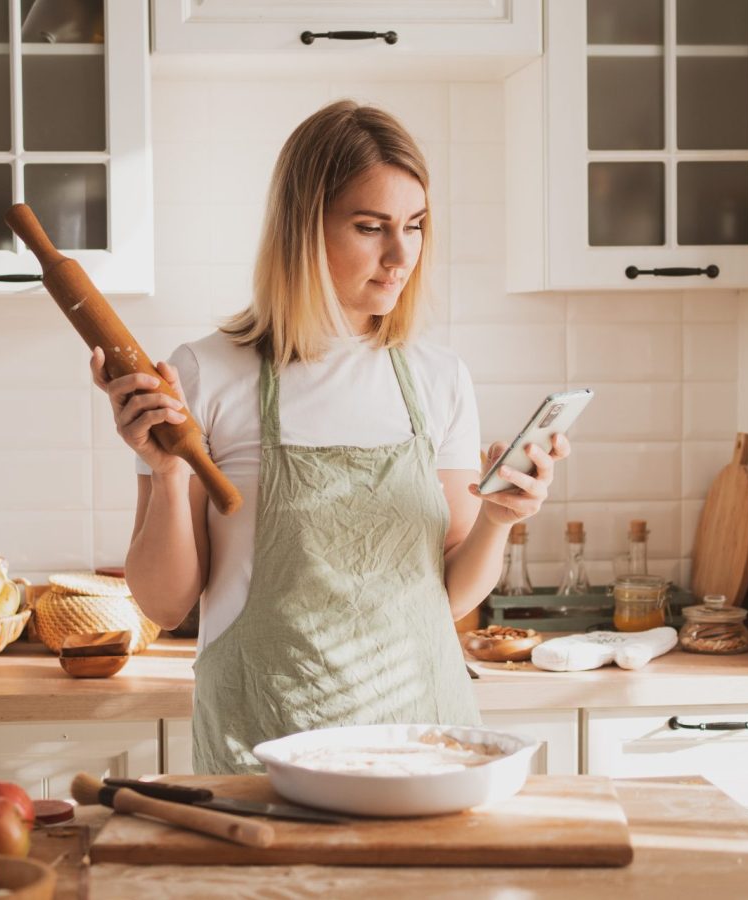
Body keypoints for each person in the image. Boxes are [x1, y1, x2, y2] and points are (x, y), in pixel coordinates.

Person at [91, 99, 570, 774]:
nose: (401, 255)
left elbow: (449, 595)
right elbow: (165, 604)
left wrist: (499, 518)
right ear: (303, 230)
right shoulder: (206, 374)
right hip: (263, 746)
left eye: (416, 226)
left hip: (423, 742)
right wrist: (168, 474)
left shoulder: (438, 378)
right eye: (371, 227)